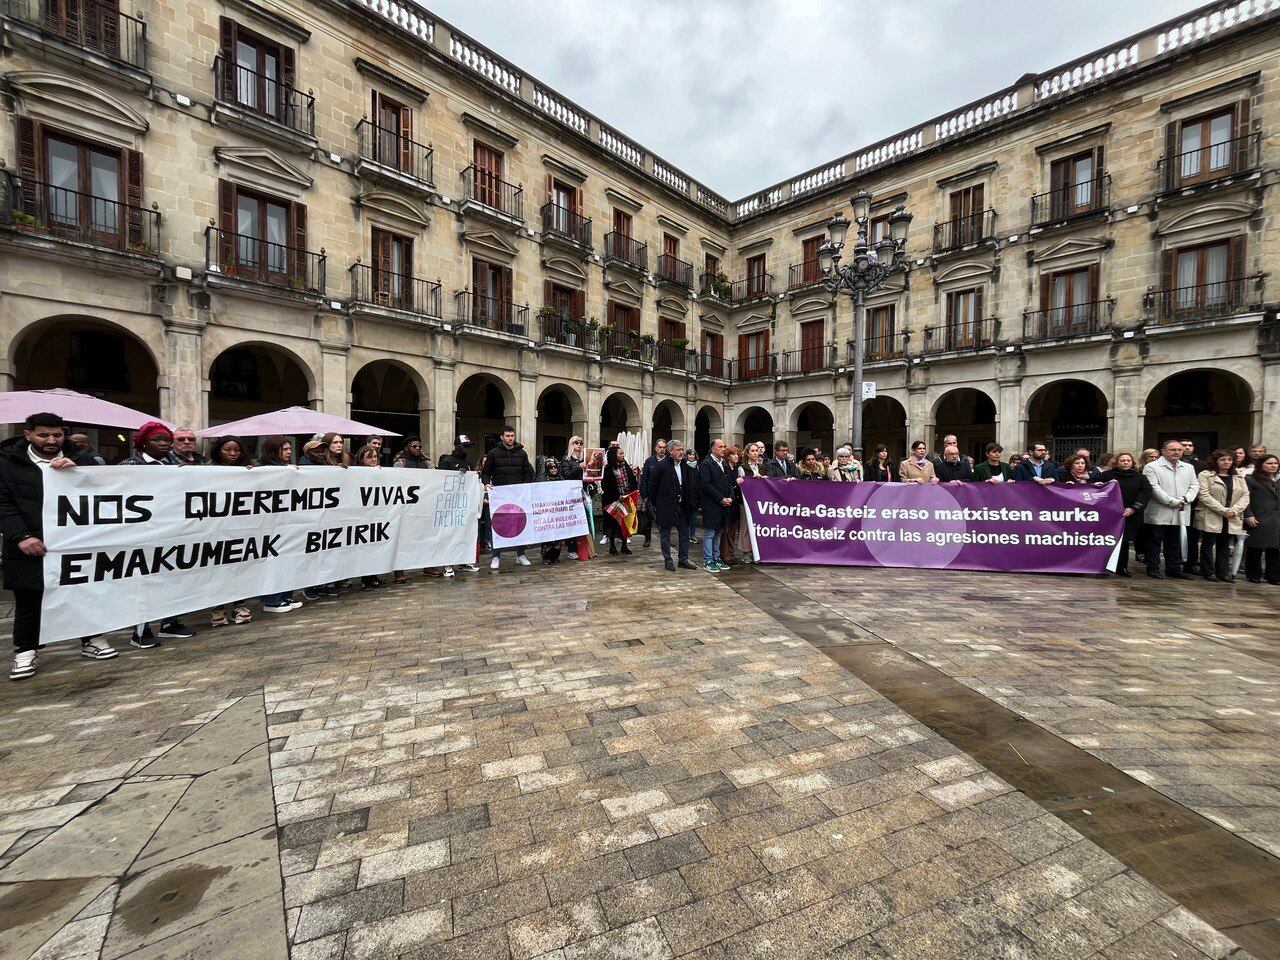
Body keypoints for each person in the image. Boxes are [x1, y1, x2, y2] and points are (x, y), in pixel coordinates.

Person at [1, 413, 117, 679]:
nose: (51, 440)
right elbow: (3, 503)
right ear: (28, 434)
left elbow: (107, 488)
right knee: (30, 598)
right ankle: (25, 651)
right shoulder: (8, 462)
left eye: (57, 435)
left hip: (75, 541)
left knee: (85, 591)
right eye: (43, 435)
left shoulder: (83, 458)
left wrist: (76, 467)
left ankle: (92, 639)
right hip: (29, 542)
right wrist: (20, 536)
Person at [122, 422, 197, 644]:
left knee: (171, 578)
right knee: (144, 582)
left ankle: (169, 622)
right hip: (142, 532)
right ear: (143, 442)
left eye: (166, 439)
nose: (163, 443)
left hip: (172, 530)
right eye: (157, 439)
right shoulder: (129, 465)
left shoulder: (174, 464)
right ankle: (140, 631)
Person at [206, 436, 256, 627]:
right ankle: (217, 608)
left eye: (236, 450)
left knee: (240, 566)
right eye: (228, 450)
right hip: (216, 529)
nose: (233, 453)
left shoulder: (250, 469)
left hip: (241, 528)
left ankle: (240, 605)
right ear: (219, 451)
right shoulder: (207, 470)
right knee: (217, 568)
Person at [256, 436, 303, 612]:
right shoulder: (265, 469)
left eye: (289, 449)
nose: (289, 452)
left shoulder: (287, 467)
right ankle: (271, 600)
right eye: (284, 449)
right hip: (272, 524)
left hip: (288, 522)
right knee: (274, 561)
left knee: (288, 559)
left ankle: (286, 595)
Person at [1142, 439, 1198, 579]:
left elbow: (1194, 485)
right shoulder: (1152, 467)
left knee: (1175, 542)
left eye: (1179, 450)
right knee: (1154, 541)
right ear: (1163, 451)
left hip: (1181, 509)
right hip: (1160, 510)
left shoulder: (1188, 467)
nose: (1177, 452)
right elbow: (1153, 488)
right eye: (1172, 450)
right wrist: (1171, 501)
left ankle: (1173, 568)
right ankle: (1153, 567)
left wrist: (1186, 499)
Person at [482, 425, 534, 568]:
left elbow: (527, 473)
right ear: (502, 437)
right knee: (499, 524)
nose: (510, 438)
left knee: (520, 523)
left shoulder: (522, 453)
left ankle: (521, 554)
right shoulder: (493, 453)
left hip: (518, 495)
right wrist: (486, 484)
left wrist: (526, 487)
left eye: (512, 436)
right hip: (500, 495)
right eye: (507, 436)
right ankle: (496, 556)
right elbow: (486, 472)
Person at [1194, 448, 1248, 582]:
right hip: (1211, 513)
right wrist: (1223, 510)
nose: (1226, 462)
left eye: (1229, 459)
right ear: (1215, 461)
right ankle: (1208, 571)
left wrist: (1234, 510)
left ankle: (1223, 573)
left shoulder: (1238, 477)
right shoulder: (1206, 475)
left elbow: (1245, 495)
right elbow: (1204, 495)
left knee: (1224, 544)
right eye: (1222, 459)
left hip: (1232, 516)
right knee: (1208, 543)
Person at [1099, 452, 1151, 577]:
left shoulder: (1140, 478)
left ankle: (1122, 567)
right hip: (1108, 513)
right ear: (1116, 462)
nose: (1126, 462)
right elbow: (1092, 486)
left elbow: (1146, 493)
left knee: (1124, 541)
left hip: (1129, 514)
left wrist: (1133, 508)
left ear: (1132, 462)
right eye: (1122, 460)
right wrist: (1104, 484)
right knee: (1105, 540)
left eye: (1128, 460)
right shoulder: (1107, 475)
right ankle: (1103, 567)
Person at [651, 439, 698, 571]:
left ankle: (683, 559)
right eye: (678, 450)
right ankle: (668, 559)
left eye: (681, 450)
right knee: (665, 534)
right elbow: (653, 486)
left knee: (684, 533)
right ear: (670, 451)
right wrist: (657, 503)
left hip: (682, 505)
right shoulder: (662, 466)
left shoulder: (685, 465)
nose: (681, 452)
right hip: (666, 506)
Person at [698, 438, 735, 572]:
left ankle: (716, 557)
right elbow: (706, 485)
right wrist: (721, 498)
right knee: (710, 533)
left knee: (719, 532)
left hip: (724, 504)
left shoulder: (724, 463)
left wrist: (730, 497)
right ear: (713, 449)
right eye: (720, 447)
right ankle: (708, 560)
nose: (723, 449)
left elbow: (730, 482)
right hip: (711, 504)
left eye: (724, 446)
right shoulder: (706, 464)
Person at [1244, 454, 1280, 584]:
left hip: (1276, 519)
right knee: (1255, 547)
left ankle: (1273, 576)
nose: (1273, 466)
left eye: (1275, 463)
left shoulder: (1278, 479)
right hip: (1259, 517)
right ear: (1261, 465)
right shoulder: (1251, 479)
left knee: (1275, 549)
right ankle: (1253, 574)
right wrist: (1248, 514)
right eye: (1269, 463)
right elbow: (1245, 499)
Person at [600, 444, 637, 555]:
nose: (622, 455)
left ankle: (624, 546)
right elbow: (606, 486)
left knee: (624, 523)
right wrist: (617, 496)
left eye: (622, 453)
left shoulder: (625, 465)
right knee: (613, 524)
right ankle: (612, 546)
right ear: (614, 455)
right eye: (620, 453)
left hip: (626, 498)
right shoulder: (607, 469)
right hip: (612, 501)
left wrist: (632, 491)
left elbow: (631, 479)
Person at [1179, 439, 1208, 572]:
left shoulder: (1201, 465)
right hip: (1174, 502)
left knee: (1193, 535)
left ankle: (1191, 563)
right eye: (1184, 445)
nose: (1187, 448)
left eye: (1190, 445)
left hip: (1194, 504)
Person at [736, 441, 766, 559]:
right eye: (752, 451)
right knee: (746, 526)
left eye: (756, 451)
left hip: (759, 501)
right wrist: (752, 479)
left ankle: (756, 550)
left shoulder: (761, 466)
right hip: (746, 501)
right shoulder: (742, 467)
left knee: (757, 525)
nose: (755, 453)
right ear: (747, 453)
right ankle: (745, 551)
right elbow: (742, 483)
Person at [639, 439, 667, 548]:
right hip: (651, 495)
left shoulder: (668, 461)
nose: (662, 449)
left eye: (664, 447)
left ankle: (666, 538)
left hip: (664, 495)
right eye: (660, 447)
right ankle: (647, 538)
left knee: (664, 518)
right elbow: (644, 478)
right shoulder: (649, 461)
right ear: (655, 448)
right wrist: (644, 495)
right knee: (648, 518)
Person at [721, 445, 743, 564]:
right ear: (728, 456)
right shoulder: (725, 468)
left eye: (737, 454)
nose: (736, 456)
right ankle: (725, 555)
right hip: (727, 502)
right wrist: (736, 482)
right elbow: (727, 484)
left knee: (732, 532)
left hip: (735, 503)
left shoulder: (736, 468)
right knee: (725, 531)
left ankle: (730, 554)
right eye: (733, 454)